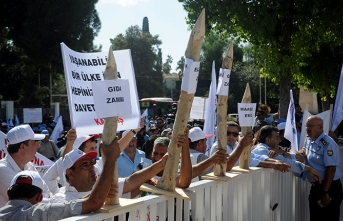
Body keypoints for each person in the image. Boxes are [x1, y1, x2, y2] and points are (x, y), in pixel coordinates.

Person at [0, 137, 121, 220]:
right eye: (84, 165)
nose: (91, 168)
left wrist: (97, 193)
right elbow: (93, 203)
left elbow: (84, 202)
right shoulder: (43, 212)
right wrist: (110, 158)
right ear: (40, 198)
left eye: (91, 164)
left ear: (9, 194)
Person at [298, 116, 342, 221]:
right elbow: (305, 149)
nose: (307, 128)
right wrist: (300, 153)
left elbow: (331, 168)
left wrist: (324, 192)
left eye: (311, 126)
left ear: (320, 127)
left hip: (329, 187)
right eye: (306, 126)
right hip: (316, 187)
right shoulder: (309, 139)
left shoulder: (327, 144)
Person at [0, 125, 50, 207]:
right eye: (34, 142)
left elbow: (45, 191)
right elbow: (28, 201)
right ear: (23, 147)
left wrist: (47, 197)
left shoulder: (29, 165)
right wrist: (51, 199)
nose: (38, 145)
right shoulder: (2, 170)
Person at [252, 125, 322, 181]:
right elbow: (285, 162)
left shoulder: (268, 149)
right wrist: (308, 169)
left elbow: (298, 158)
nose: (279, 140)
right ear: (268, 140)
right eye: (277, 137)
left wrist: (283, 153)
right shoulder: (265, 150)